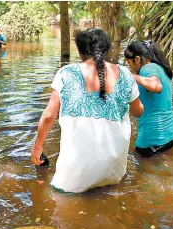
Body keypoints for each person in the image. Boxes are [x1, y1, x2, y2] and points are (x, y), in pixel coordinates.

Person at [30, 28, 143, 193]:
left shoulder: (66, 73)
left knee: (60, 206)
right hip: (114, 172)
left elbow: (48, 116)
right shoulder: (125, 74)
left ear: (79, 50)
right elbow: (138, 111)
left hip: (75, 176)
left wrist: (38, 147)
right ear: (107, 49)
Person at [124, 40, 173, 158]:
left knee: (141, 172)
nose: (130, 67)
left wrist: (127, 75)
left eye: (129, 62)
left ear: (137, 59)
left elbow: (156, 86)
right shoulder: (161, 68)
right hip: (170, 135)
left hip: (152, 139)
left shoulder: (147, 68)